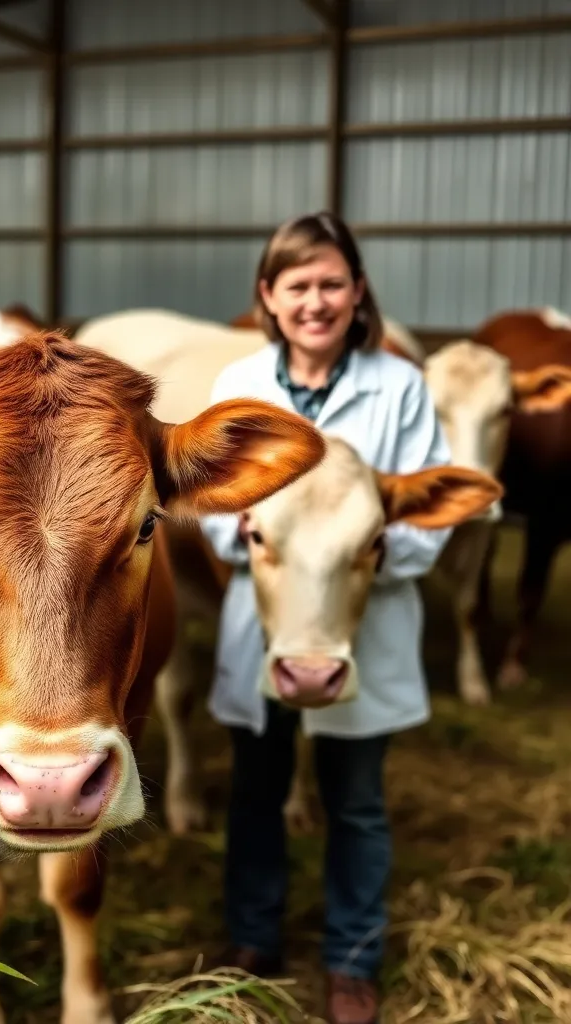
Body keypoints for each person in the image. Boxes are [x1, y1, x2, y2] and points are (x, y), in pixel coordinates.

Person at [199, 211, 452, 1024]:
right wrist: (241, 535)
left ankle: (351, 959)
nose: (316, 301)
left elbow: (423, 523)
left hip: (362, 625)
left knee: (356, 800)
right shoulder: (239, 388)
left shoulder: (400, 386)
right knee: (255, 790)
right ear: (268, 297)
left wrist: (371, 549)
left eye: (332, 284)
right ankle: (254, 937)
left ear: (358, 292)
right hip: (262, 617)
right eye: (298, 286)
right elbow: (210, 509)